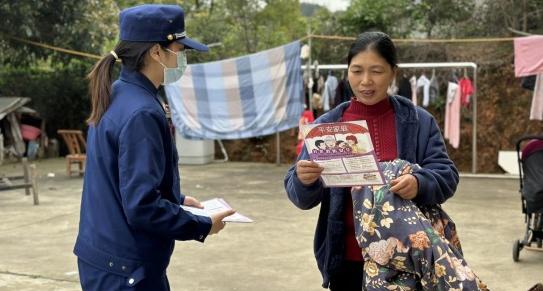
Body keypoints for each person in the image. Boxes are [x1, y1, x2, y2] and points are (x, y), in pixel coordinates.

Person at [73, 4, 234, 291]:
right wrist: (202, 225)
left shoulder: (118, 94)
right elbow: (142, 206)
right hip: (127, 270)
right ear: (156, 52)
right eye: (179, 48)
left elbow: (122, 178)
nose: (182, 57)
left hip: (105, 258)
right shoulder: (142, 112)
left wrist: (177, 198)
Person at [284, 31, 459, 290]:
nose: (366, 81)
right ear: (347, 72)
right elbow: (299, 196)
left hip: (407, 257)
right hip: (347, 260)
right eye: (357, 71)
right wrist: (303, 180)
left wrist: (419, 183)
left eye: (376, 71)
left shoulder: (418, 121)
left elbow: (447, 175)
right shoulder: (326, 127)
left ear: (393, 73)